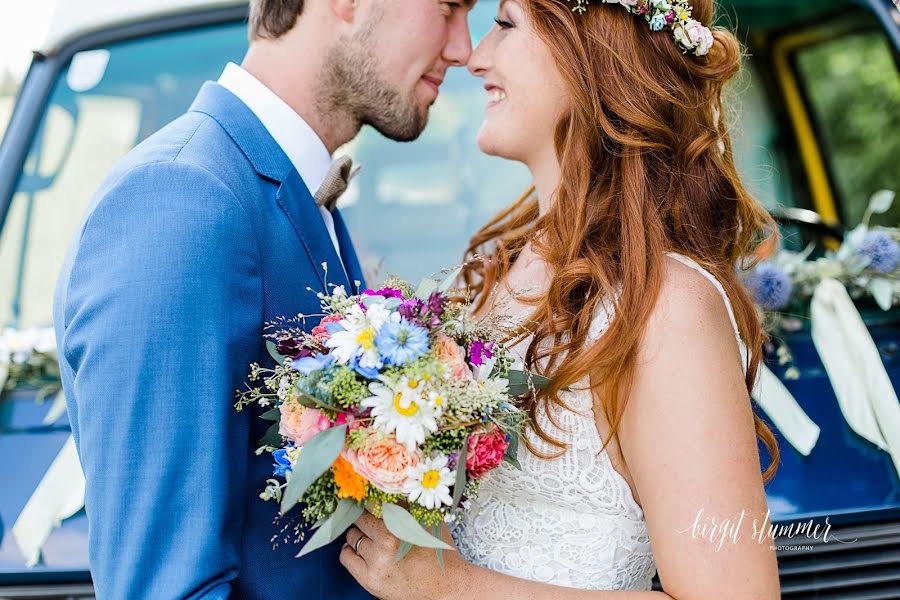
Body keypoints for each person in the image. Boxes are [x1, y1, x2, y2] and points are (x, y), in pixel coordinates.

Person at [339, 0, 782, 598]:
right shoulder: (488, 277)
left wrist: (448, 587)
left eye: (504, 24)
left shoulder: (665, 310)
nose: (474, 56)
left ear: (589, 54)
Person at [52, 0, 474, 598]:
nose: (462, 47)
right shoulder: (181, 197)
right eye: (450, 7)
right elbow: (166, 587)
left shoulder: (297, 191)